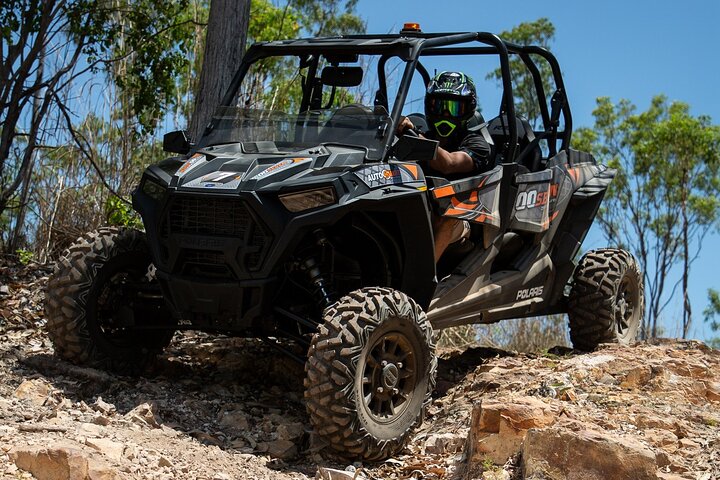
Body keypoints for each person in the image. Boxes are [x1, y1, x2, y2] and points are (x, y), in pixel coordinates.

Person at [396, 71, 494, 262]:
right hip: (416, 208)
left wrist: (412, 134)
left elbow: (448, 164)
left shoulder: (477, 144)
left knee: (448, 216)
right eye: (439, 106)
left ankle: (420, 282)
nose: (446, 114)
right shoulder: (421, 135)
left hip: (464, 217)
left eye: (454, 107)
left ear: (468, 109)